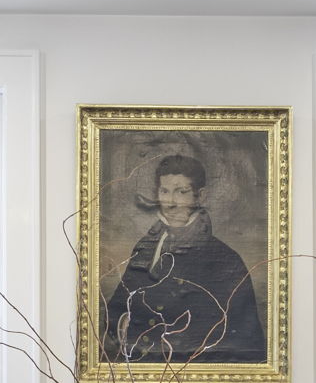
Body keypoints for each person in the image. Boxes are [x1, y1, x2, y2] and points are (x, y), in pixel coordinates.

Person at [100, 153, 265, 365]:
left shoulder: (224, 259)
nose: (170, 202)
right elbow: (117, 306)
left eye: (181, 192)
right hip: (145, 374)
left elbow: (243, 341)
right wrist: (123, 323)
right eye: (164, 191)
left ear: (200, 196)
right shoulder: (145, 248)